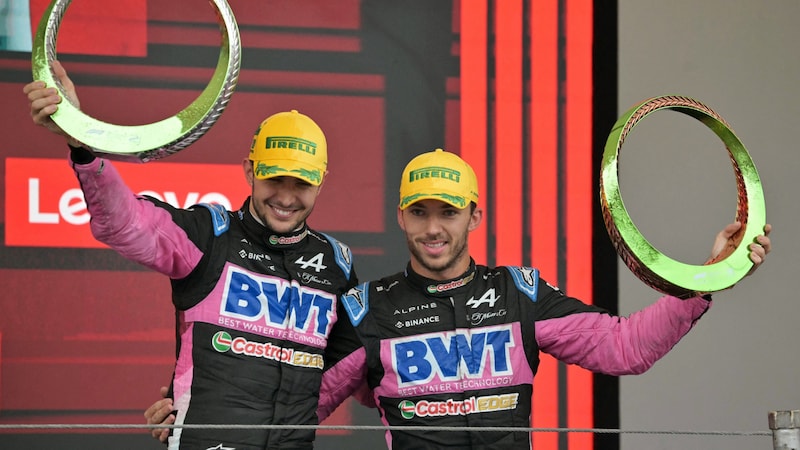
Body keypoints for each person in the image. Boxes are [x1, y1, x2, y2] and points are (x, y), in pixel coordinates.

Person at [312, 148, 772, 449]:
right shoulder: (369, 309)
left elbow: (623, 347)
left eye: (449, 212)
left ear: (474, 217)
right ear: (401, 217)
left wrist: (704, 279)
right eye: (420, 212)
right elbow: (297, 410)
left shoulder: (518, 292)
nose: (434, 228)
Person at [24, 61, 360, 450]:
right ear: (250, 170)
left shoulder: (336, 263)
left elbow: (351, 365)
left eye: (301, 183)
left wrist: (298, 414)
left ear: (321, 183)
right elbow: (127, 223)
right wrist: (81, 145)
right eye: (274, 178)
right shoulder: (209, 234)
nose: (286, 197)